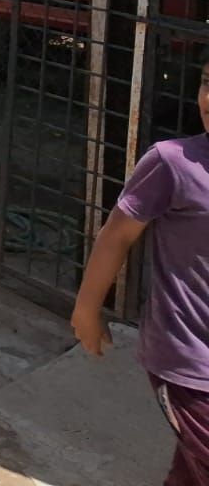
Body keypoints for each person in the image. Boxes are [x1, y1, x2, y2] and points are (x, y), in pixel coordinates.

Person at [71, 61, 209, 486]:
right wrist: (87, 310)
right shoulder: (173, 163)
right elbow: (116, 236)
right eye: (207, 82)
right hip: (190, 362)